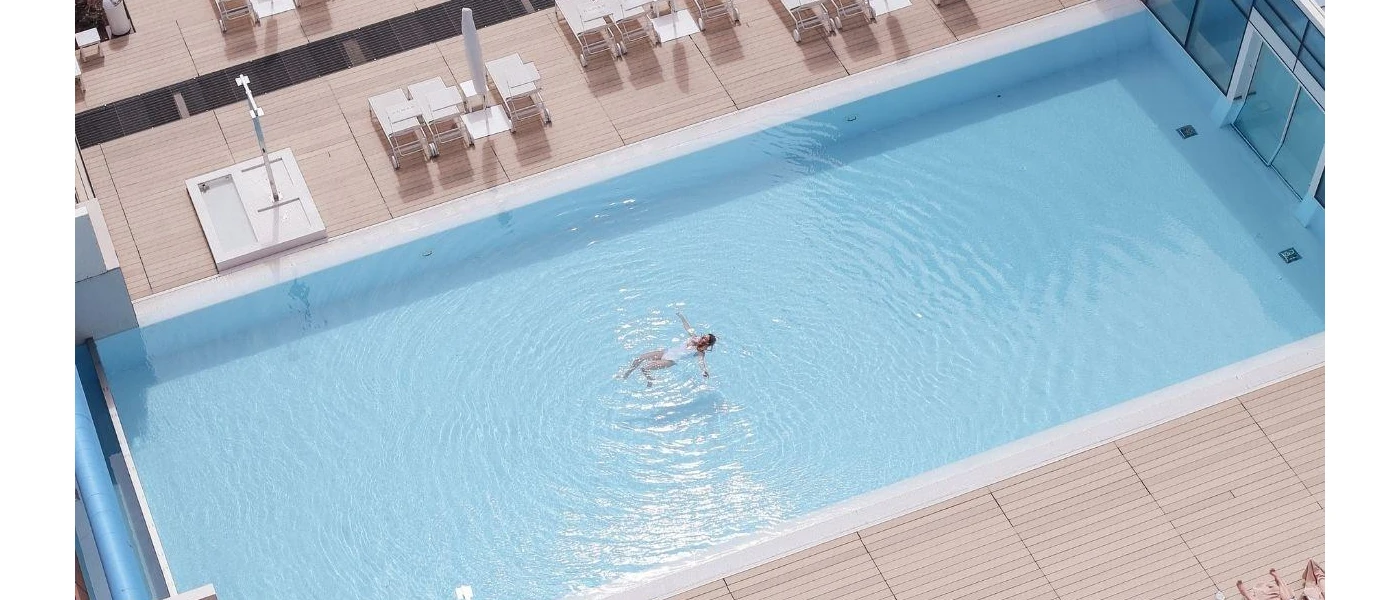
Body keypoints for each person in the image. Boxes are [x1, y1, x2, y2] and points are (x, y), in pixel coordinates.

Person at [619, 312, 717, 386]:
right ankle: (626, 374)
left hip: (670, 361)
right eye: (703, 336)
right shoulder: (693, 337)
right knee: (639, 358)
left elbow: (701, 362)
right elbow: (687, 327)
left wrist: (704, 371)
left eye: (705, 339)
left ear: (707, 344)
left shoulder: (700, 352)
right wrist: (682, 316)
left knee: (644, 368)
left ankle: (650, 380)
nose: (702, 338)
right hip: (665, 352)